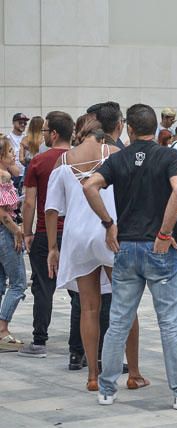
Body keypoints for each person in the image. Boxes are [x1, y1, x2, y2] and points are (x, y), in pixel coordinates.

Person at [83, 103, 177, 409]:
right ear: (156, 128)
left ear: (128, 128)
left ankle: (107, 388)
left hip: (126, 248)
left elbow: (90, 186)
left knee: (118, 321)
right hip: (158, 250)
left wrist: (108, 224)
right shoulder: (168, 155)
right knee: (169, 323)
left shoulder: (118, 158)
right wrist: (165, 233)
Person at [44, 121, 147, 392]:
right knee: (125, 305)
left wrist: (53, 248)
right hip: (108, 230)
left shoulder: (63, 161)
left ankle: (92, 375)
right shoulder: (113, 153)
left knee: (89, 308)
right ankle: (133, 372)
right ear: (103, 134)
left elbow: (51, 209)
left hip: (76, 236)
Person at [18, 112, 74, 358]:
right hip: (74, 234)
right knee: (79, 291)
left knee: (42, 287)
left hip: (44, 232)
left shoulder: (39, 161)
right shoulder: (79, 159)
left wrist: (26, 232)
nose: (42, 135)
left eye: (44, 131)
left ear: (53, 134)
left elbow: (29, 202)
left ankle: (39, 341)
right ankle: (79, 346)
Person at [0, 135, 26, 348]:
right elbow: (3, 213)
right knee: (18, 283)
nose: (13, 155)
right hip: (5, 233)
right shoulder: (3, 178)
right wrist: (17, 231)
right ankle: (2, 328)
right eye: (9, 152)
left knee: (1, 282)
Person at [8, 113, 29, 191]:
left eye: (25, 123)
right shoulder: (7, 139)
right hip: (12, 175)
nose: (23, 124)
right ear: (13, 123)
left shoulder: (27, 139)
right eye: (20, 122)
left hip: (25, 174)